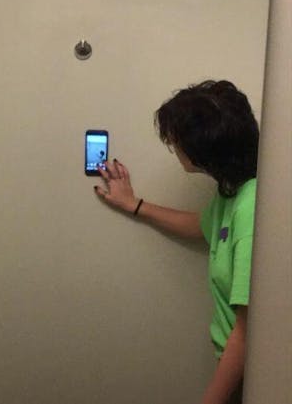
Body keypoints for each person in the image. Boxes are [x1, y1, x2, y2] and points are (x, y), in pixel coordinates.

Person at [94, 80, 258, 404]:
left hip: (249, 376)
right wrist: (134, 205)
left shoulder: (252, 207)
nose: (172, 144)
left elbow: (247, 332)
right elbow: (202, 226)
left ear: (202, 148)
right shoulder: (233, 192)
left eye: (176, 138)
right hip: (236, 369)